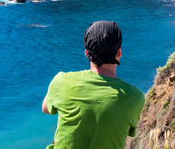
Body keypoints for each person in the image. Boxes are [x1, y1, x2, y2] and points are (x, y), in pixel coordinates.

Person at [42, 20, 145, 149]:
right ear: (119, 53)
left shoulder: (61, 81)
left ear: (86, 54)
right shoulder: (135, 97)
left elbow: (45, 108)